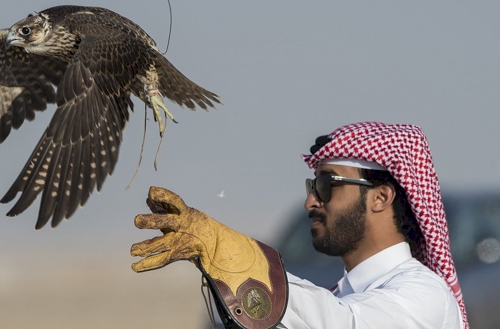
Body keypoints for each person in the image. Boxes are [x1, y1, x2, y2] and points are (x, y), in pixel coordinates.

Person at [130, 121, 468, 329]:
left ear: (380, 197)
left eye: (325, 186)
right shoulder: (344, 295)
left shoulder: (424, 296)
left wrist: (231, 255)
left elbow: (342, 324)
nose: (311, 201)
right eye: (311, 187)